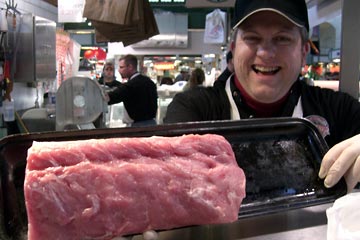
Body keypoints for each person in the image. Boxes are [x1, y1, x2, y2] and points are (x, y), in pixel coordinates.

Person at [164, 0, 360, 193]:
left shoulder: (338, 110)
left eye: (282, 38)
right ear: (233, 48)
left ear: (303, 51)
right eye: (252, 38)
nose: (266, 52)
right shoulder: (194, 109)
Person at [106, 54, 158, 127]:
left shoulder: (130, 86)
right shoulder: (149, 82)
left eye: (121, 67)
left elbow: (111, 98)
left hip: (138, 127)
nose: (119, 70)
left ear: (130, 67)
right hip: (152, 124)